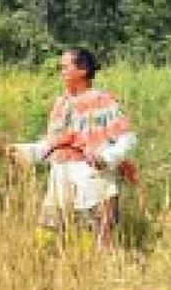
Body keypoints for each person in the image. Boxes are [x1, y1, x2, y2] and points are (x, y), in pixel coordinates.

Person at [8, 48, 138, 249]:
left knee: (94, 242)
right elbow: (52, 145)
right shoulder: (62, 103)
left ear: (83, 70)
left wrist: (106, 157)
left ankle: (95, 276)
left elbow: (127, 138)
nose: (61, 72)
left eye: (65, 67)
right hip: (60, 179)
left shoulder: (103, 100)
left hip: (93, 180)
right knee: (46, 240)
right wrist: (20, 151)